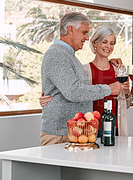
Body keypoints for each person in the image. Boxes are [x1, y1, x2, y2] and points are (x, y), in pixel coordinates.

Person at [40, 12, 123, 145]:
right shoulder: (57, 54)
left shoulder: (69, 56)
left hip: (74, 131)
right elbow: (73, 91)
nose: (87, 37)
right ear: (71, 29)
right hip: (60, 134)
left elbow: (63, 88)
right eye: (84, 32)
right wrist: (108, 89)